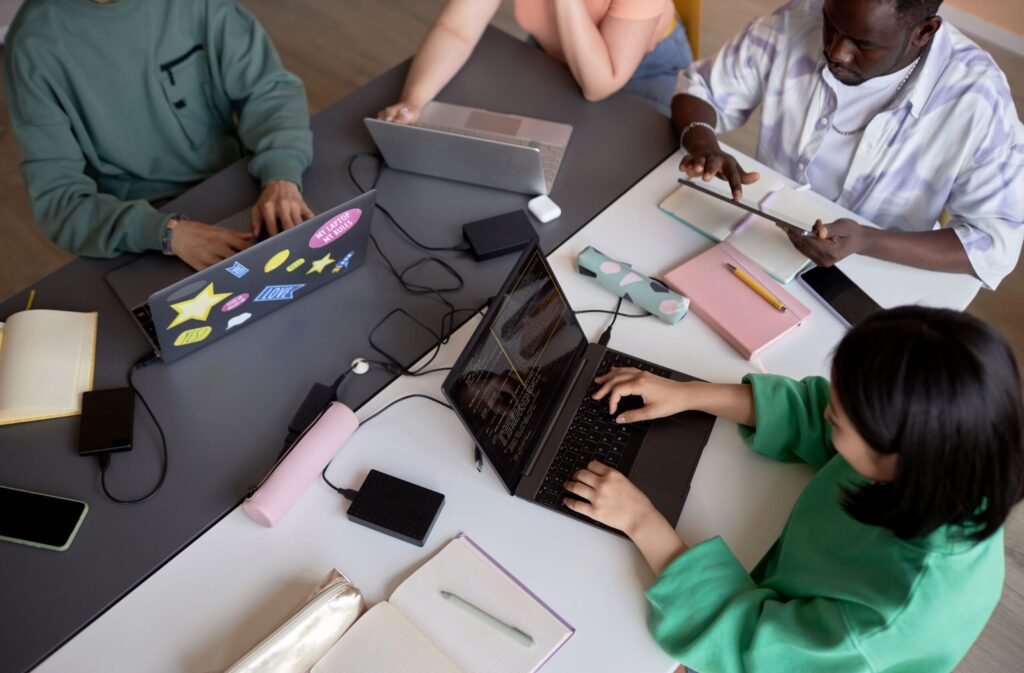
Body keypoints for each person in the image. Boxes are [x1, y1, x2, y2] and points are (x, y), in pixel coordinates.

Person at [565, 305, 1024, 673]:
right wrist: (691, 394)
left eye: (839, 419)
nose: (827, 413)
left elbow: (753, 653)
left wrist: (643, 524)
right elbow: (812, 410)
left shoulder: (889, 616)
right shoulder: (955, 454)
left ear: (900, 455)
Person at [672, 0, 1024, 289]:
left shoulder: (977, 97)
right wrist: (705, 143)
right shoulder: (797, 21)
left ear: (923, 32)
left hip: (877, 275)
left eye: (863, 43)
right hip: (760, 241)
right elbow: (699, 87)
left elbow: (995, 241)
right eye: (831, 24)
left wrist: (867, 241)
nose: (836, 51)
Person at [4, 0, 315, 271]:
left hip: (241, 184)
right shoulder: (34, 46)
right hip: (140, 228)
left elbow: (269, 92)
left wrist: (281, 174)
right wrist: (167, 233)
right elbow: (60, 202)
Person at [379, 0, 693, 122]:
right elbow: (456, 28)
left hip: (647, 71)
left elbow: (600, 85)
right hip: (554, 55)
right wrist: (414, 100)